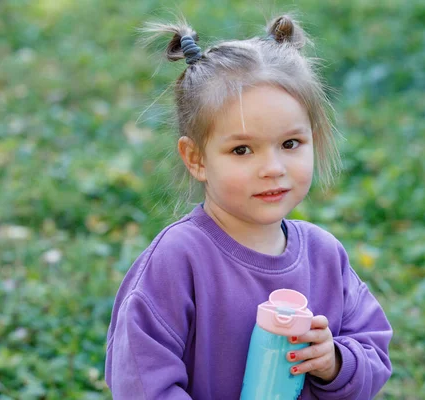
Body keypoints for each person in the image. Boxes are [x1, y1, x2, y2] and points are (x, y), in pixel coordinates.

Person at [105, 13, 393, 399]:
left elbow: (373, 351)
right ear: (196, 159)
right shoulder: (178, 260)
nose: (273, 169)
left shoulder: (324, 255)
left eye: (290, 144)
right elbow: (140, 381)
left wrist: (334, 362)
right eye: (242, 150)